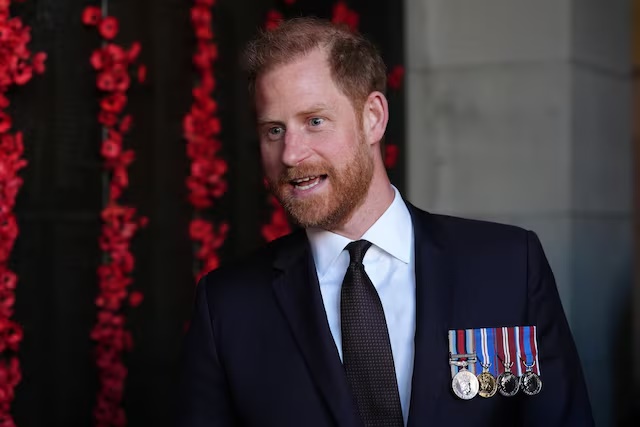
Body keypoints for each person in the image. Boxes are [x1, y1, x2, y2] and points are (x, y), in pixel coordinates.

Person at [177, 17, 594, 427]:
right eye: (273, 130)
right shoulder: (227, 307)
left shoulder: (507, 266)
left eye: (314, 121)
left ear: (373, 117)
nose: (290, 154)